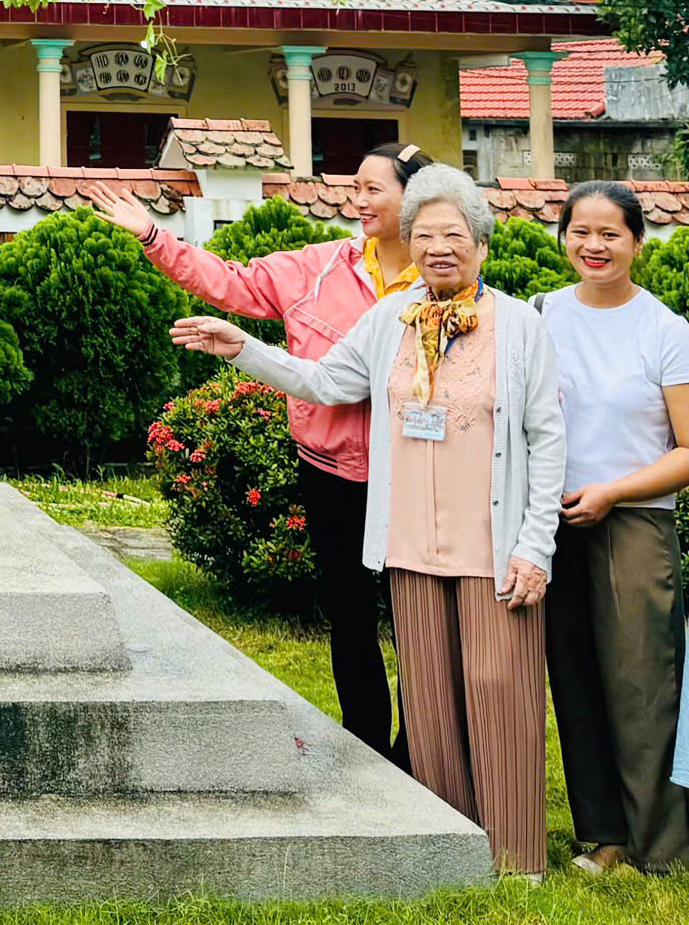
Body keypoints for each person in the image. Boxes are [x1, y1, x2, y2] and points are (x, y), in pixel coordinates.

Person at [173, 163, 564, 877]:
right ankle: (447, 846)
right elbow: (326, 382)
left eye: (453, 234)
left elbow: (547, 439)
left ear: (481, 242)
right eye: (424, 235)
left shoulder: (522, 327)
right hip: (412, 541)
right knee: (431, 698)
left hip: (492, 545)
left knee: (497, 688)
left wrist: (535, 546)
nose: (438, 247)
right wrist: (246, 350)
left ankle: (515, 854)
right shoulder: (388, 320)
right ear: (408, 244)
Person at [96, 140, 430, 757]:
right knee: (350, 615)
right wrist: (153, 236)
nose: (357, 201)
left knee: (419, 621)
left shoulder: (441, 280)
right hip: (329, 469)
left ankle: (418, 752)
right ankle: (366, 747)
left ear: (416, 199)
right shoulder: (320, 268)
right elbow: (231, 282)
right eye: (354, 187)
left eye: (373, 189)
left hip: (414, 471)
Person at [539, 180, 689, 874]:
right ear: (563, 236)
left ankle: (661, 846)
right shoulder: (541, 316)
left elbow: (687, 450)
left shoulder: (666, 330)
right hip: (555, 519)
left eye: (610, 234)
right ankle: (605, 837)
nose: (594, 246)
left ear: (637, 242)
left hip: (634, 523)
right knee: (573, 680)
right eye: (580, 231)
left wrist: (613, 492)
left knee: (643, 687)